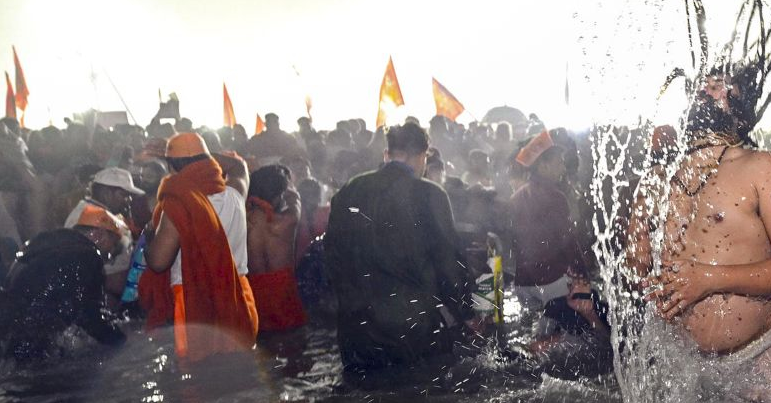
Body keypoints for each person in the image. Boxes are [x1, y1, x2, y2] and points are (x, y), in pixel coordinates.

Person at [635, 72, 771, 395]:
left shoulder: (765, 168)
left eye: (719, 85)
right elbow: (637, 272)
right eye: (701, 85)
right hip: (681, 361)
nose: (706, 89)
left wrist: (708, 279)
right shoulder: (656, 181)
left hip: (757, 357)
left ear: (740, 110)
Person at [324, 124, 481, 375]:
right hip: (411, 328)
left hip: (357, 330)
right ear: (422, 155)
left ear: (388, 153)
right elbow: (449, 262)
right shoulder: (429, 193)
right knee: (419, 398)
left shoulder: (351, 190)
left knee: (368, 402)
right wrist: (466, 314)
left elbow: (331, 254)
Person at [143, 133, 258, 364]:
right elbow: (238, 165)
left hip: (195, 301)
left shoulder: (177, 205)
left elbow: (158, 261)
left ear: (171, 167)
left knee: (199, 376)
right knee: (238, 368)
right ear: (209, 161)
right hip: (238, 295)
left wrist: (148, 237)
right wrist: (200, 153)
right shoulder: (235, 194)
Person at [0, 206, 126, 361]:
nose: (109, 255)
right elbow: (90, 315)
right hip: (32, 342)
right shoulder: (89, 255)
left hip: (1, 331)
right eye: (113, 246)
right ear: (100, 235)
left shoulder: (43, 241)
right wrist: (121, 342)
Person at [508, 131, 579, 317]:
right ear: (543, 166)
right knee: (568, 336)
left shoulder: (516, 197)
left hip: (522, 285)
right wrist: (582, 276)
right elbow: (568, 241)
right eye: (559, 163)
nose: (563, 168)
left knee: (540, 333)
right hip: (551, 284)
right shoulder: (556, 197)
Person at [63, 167, 144, 303]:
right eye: (123, 195)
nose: (129, 200)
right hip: (103, 297)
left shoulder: (98, 212)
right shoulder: (93, 219)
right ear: (106, 193)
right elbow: (89, 273)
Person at [246, 164, 307, 333]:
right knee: (291, 342)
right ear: (279, 194)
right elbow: (295, 198)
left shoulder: (245, 221)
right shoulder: (288, 221)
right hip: (283, 290)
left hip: (253, 289)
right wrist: (288, 185)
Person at [529, 266, 611, 375]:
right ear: (568, 287)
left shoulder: (602, 309)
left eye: (584, 283)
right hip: (564, 365)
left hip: (596, 365)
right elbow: (535, 347)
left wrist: (589, 314)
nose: (578, 286)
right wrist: (558, 339)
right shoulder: (555, 308)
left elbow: (610, 345)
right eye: (575, 283)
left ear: (590, 286)